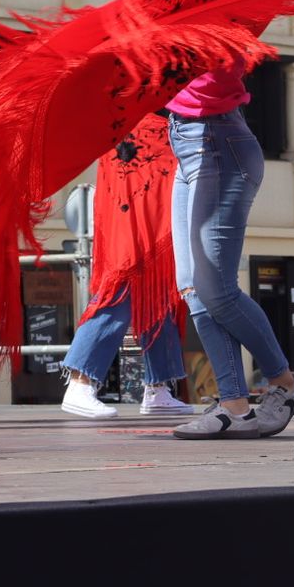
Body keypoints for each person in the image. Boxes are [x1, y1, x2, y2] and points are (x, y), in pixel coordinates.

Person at [170, 0, 294, 440]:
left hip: (220, 144)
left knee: (216, 286)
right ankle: (233, 402)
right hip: (184, 144)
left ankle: (285, 381)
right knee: (191, 286)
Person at [61, 114, 194, 419]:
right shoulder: (134, 102)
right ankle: (80, 380)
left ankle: (158, 387)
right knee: (123, 280)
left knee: (158, 286)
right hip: (139, 158)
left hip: (154, 152)